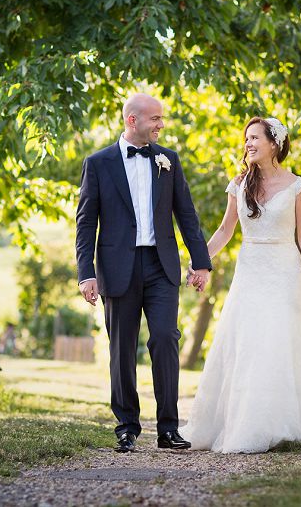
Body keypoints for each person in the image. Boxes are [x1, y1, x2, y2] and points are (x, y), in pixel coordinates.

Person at [179, 117, 301, 453]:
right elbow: (225, 232)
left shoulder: (298, 186)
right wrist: (201, 261)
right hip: (250, 271)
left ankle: (281, 422)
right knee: (247, 342)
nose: (249, 144)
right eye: (246, 139)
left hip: (284, 272)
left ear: (275, 144)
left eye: (255, 138)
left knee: (277, 341)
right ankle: (245, 423)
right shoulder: (239, 184)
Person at [75, 93, 212, 453]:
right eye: (155, 119)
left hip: (160, 265)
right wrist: (85, 273)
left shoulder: (169, 160)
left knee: (165, 338)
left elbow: (186, 214)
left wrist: (200, 262)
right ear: (132, 120)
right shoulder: (98, 163)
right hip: (116, 267)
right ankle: (126, 427)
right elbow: (86, 223)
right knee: (121, 348)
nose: (161, 125)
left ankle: (168, 427)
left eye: (161, 119)